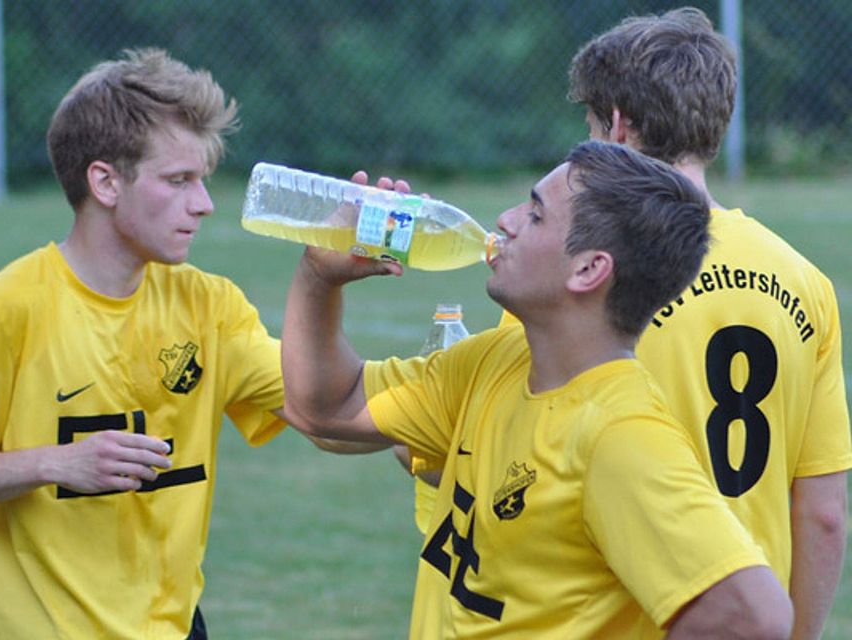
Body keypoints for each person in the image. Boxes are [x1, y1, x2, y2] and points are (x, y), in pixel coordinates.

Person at [280, 140, 793, 638]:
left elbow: (754, 615)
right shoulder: (494, 361)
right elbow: (328, 405)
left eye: (535, 214)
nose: (505, 220)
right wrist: (319, 278)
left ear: (588, 269)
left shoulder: (618, 434)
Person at [0, 48, 295, 639]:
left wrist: (325, 282)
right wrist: (56, 462)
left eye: (202, 180)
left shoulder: (209, 304)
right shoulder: (5, 309)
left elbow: (322, 407)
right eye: (179, 180)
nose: (204, 204)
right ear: (105, 182)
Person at [498, 9, 851, 638]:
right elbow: (823, 513)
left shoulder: (574, 275)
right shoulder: (806, 283)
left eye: (590, 127)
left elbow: (495, 459)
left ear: (617, 127)